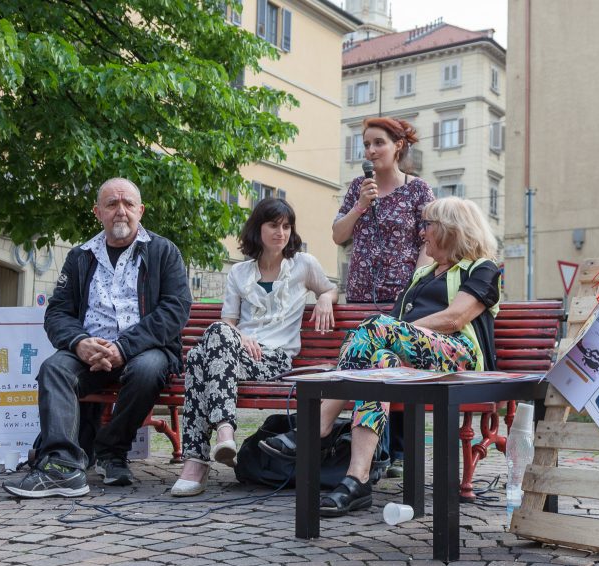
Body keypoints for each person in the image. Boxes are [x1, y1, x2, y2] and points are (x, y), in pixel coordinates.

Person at [272, 196, 500, 517]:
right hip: (413, 364)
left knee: (377, 328)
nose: (422, 233)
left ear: (450, 230)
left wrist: (395, 332)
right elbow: (389, 331)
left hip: (459, 361)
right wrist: (393, 336)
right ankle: (357, 480)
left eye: (427, 225)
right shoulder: (422, 276)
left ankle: (318, 425)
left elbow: (454, 319)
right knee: (378, 363)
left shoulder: (482, 269)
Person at [4, 178, 192, 498]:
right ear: (97, 212)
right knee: (54, 369)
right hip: (89, 349)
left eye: (128, 204)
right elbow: (58, 313)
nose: (121, 211)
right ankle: (63, 466)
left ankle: (110, 452)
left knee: (146, 370)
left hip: (146, 349)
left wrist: (123, 348)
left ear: (141, 211)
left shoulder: (163, 252)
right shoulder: (81, 257)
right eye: (111, 204)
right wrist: (79, 343)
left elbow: (175, 310)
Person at [170, 197, 337, 496]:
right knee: (202, 353)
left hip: (275, 361)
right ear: (257, 229)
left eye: (286, 226)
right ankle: (221, 433)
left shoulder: (303, 265)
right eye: (273, 225)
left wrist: (325, 297)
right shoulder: (239, 273)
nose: (281, 232)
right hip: (238, 356)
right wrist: (239, 336)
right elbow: (228, 322)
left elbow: (330, 288)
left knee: (197, 358)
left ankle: (198, 459)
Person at [333, 116, 435, 305]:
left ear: (398, 145)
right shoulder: (358, 186)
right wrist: (360, 205)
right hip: (358, 295)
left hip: (400, 297)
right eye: (366, 144)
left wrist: (413, 288)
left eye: (379, 143)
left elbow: (430, 243)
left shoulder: (418, 189)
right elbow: (338, 236)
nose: (371, 150)